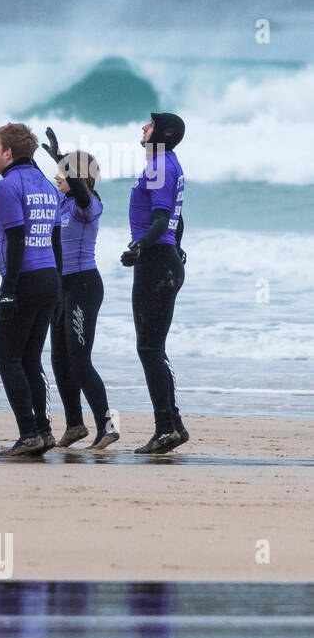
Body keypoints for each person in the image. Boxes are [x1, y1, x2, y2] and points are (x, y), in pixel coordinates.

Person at [38, 129, 118, 449]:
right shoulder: (61, 201)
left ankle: (107, 426)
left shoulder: (90, 205)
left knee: (80, 360)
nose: (57, 176)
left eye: (63, 172)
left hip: (84, 286)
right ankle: (74, 426)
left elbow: (82, 195)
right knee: (59, 359)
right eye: (58, 171)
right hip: (60, 288)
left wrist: (62, 161)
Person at [0, 123, 61, 456]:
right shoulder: (46, 184)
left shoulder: (8, 186)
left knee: (9, 359)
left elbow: (17, 239)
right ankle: (43, 432)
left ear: (8, 153)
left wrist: (8, 289)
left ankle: (29, 433)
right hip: (49, 278)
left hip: (24, 279)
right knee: (31, 358)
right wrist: (58, 283)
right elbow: (55, 240)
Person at [121, 112, 188, 454]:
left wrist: (140, 246)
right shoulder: (169, 162)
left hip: (156, 264)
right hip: (166, 261)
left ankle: (167, 428)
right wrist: (175, 249)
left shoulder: (160, 164)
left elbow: (163, 218)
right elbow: (178, 215)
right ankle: (172, 425)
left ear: (162, 133)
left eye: (148, 125)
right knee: (153, 348)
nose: (142, 128)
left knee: (149, 348)